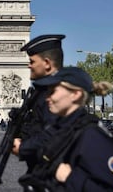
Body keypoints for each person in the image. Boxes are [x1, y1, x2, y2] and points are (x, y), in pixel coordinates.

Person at [19, 67, 113, 191]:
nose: (47, 98)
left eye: (53, 91)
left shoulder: (91, 136)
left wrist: (70, 178)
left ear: (75, 95)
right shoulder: (62, 129)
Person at [12, 34, 65, 175]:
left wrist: (23, 147)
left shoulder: (55, 93)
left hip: (53, 173)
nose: (28, 65)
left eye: (32, 61)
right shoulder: (40, 92)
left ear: (47, 63)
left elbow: (54, 133)